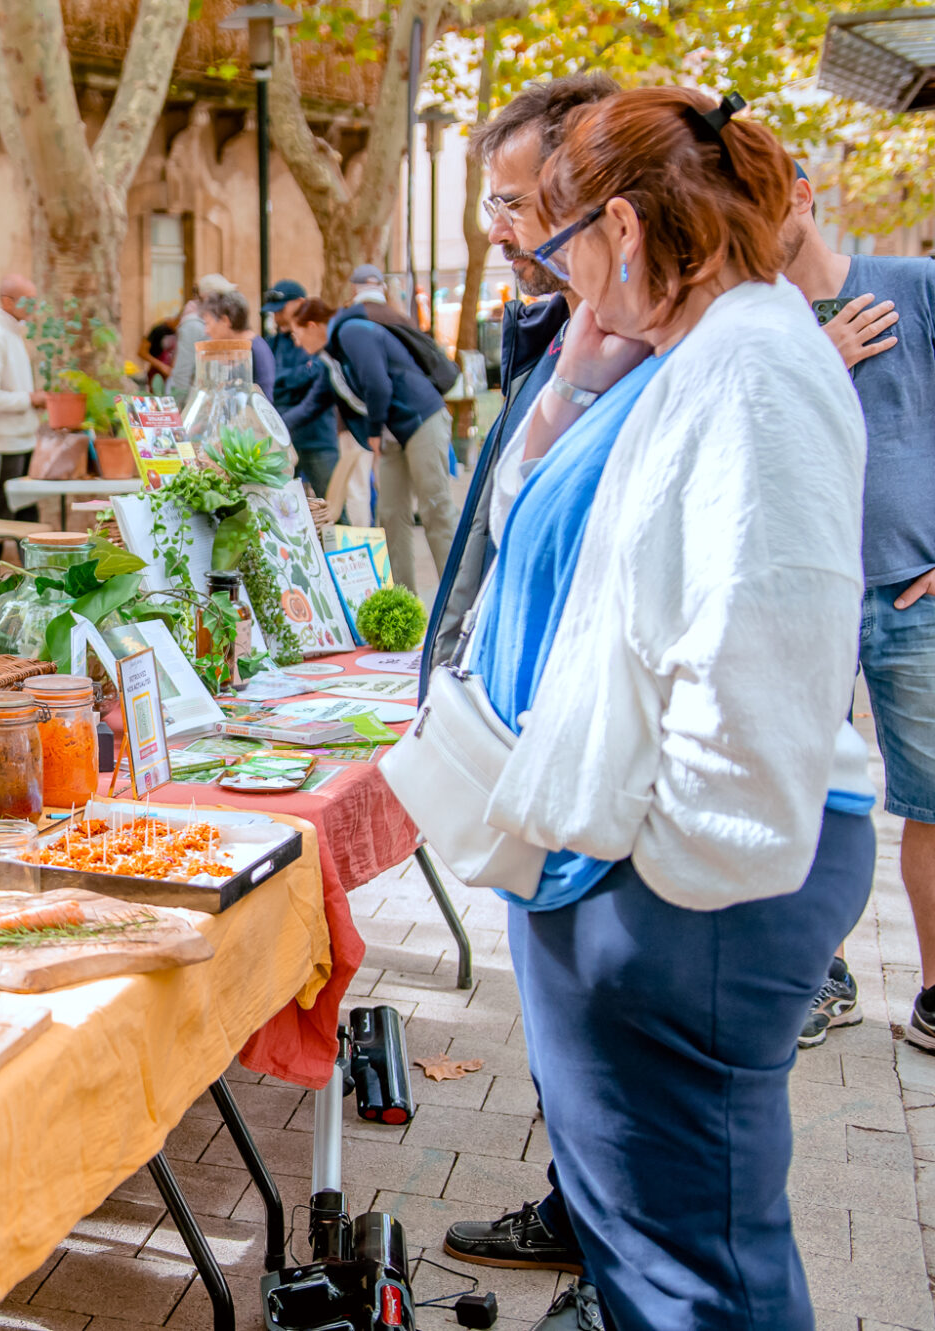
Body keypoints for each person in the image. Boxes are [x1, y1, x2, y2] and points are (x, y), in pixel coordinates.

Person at [423, 87, 872, 1329]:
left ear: (620, 228)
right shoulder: (709, 351)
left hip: (685, 895)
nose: (555, 273)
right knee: (653, 1255)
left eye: (562, 239)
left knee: (694, 1276)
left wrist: (663, 883)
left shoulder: (752, 367)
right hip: (639, 878)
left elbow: (763, 650)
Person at [412, 72, 620, 1306]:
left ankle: (612, 1265)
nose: (496, 227)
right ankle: (577, 1214)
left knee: (607, 1041)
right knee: (562, 1032)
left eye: (512, 200)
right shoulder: (556, 328)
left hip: (587, 758)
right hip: (529, 743)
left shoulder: (663, 345)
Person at [781, 166, 935, 1053]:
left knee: (933, 799)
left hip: (914, 590)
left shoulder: (914, 286)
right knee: (811, 797)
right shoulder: (754, 327)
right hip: (801, 594)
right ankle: (820, 976)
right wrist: (818, 359)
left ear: (802, 195)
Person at [420, 73, 620, 705]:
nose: (497, 233)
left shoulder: (659, 357)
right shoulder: (551, 343)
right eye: (493, 208)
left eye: (513, 206)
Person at [284, 297, 459, 594]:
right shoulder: (332, 360)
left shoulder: (352, 331)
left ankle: (458, 598)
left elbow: (378, 383)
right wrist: (272, 425)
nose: (297, 343)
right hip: (392, 434)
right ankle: (404, 600)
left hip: (421, 420)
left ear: (312, 326)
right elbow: (310, 407)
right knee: (390, 514)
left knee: (435, 508)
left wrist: (374, 430)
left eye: (296, 334)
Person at [0, 271, 47, 583]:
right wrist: (29, 399)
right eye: (28, 301)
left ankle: (36, 585)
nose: (34, 307)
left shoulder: (14, 333)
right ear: (7, 301)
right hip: (2, 445)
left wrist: (31, 400)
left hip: (24, 441)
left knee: (28, 518)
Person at [264, 281, 339, 497]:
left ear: (299, 303)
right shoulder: (272, 342)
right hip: (284, 438)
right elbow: (271, 382)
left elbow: (317, 376)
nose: (276, 316)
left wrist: (283, 379)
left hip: (318, 438)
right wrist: (298, 375)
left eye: (280, 309)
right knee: (282, 503)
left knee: (331, 503)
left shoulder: (319, 340)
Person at [194, 289, 276, 405]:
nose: (206, 331)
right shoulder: (247, 346)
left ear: (225, 320)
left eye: (207, 323)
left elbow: (262, 402)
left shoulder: (251, 350)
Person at [168, 273, 239, 399]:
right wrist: (180, 406)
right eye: (223, 297)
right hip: (193, 399)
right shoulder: (193, 325)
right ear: (207, 297)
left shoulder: (219, 321)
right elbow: (182, 373)